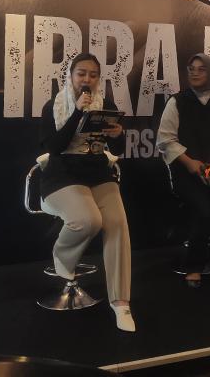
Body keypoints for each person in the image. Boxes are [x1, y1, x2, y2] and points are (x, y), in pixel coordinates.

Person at [39, 52, 135, 330]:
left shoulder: (106, 105)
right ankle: (62, 256)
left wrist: (118, 136)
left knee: (117, 223)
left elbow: (117, 150)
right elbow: (54, 147)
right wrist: (78, 113)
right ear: (70, 76)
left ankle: (120, 302)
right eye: (81, 73)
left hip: (97, 173)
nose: (87, 79)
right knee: (88, 220)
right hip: (62, 174)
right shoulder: (53, 106)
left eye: (93, 75)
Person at [157, 53, 210, 288]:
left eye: (201, 69)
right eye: (191, 68)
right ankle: (194, 265)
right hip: (187, 171)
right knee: (203, 211)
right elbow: (166, 140)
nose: (194, 73)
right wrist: (190, 163)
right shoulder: (177, 102)